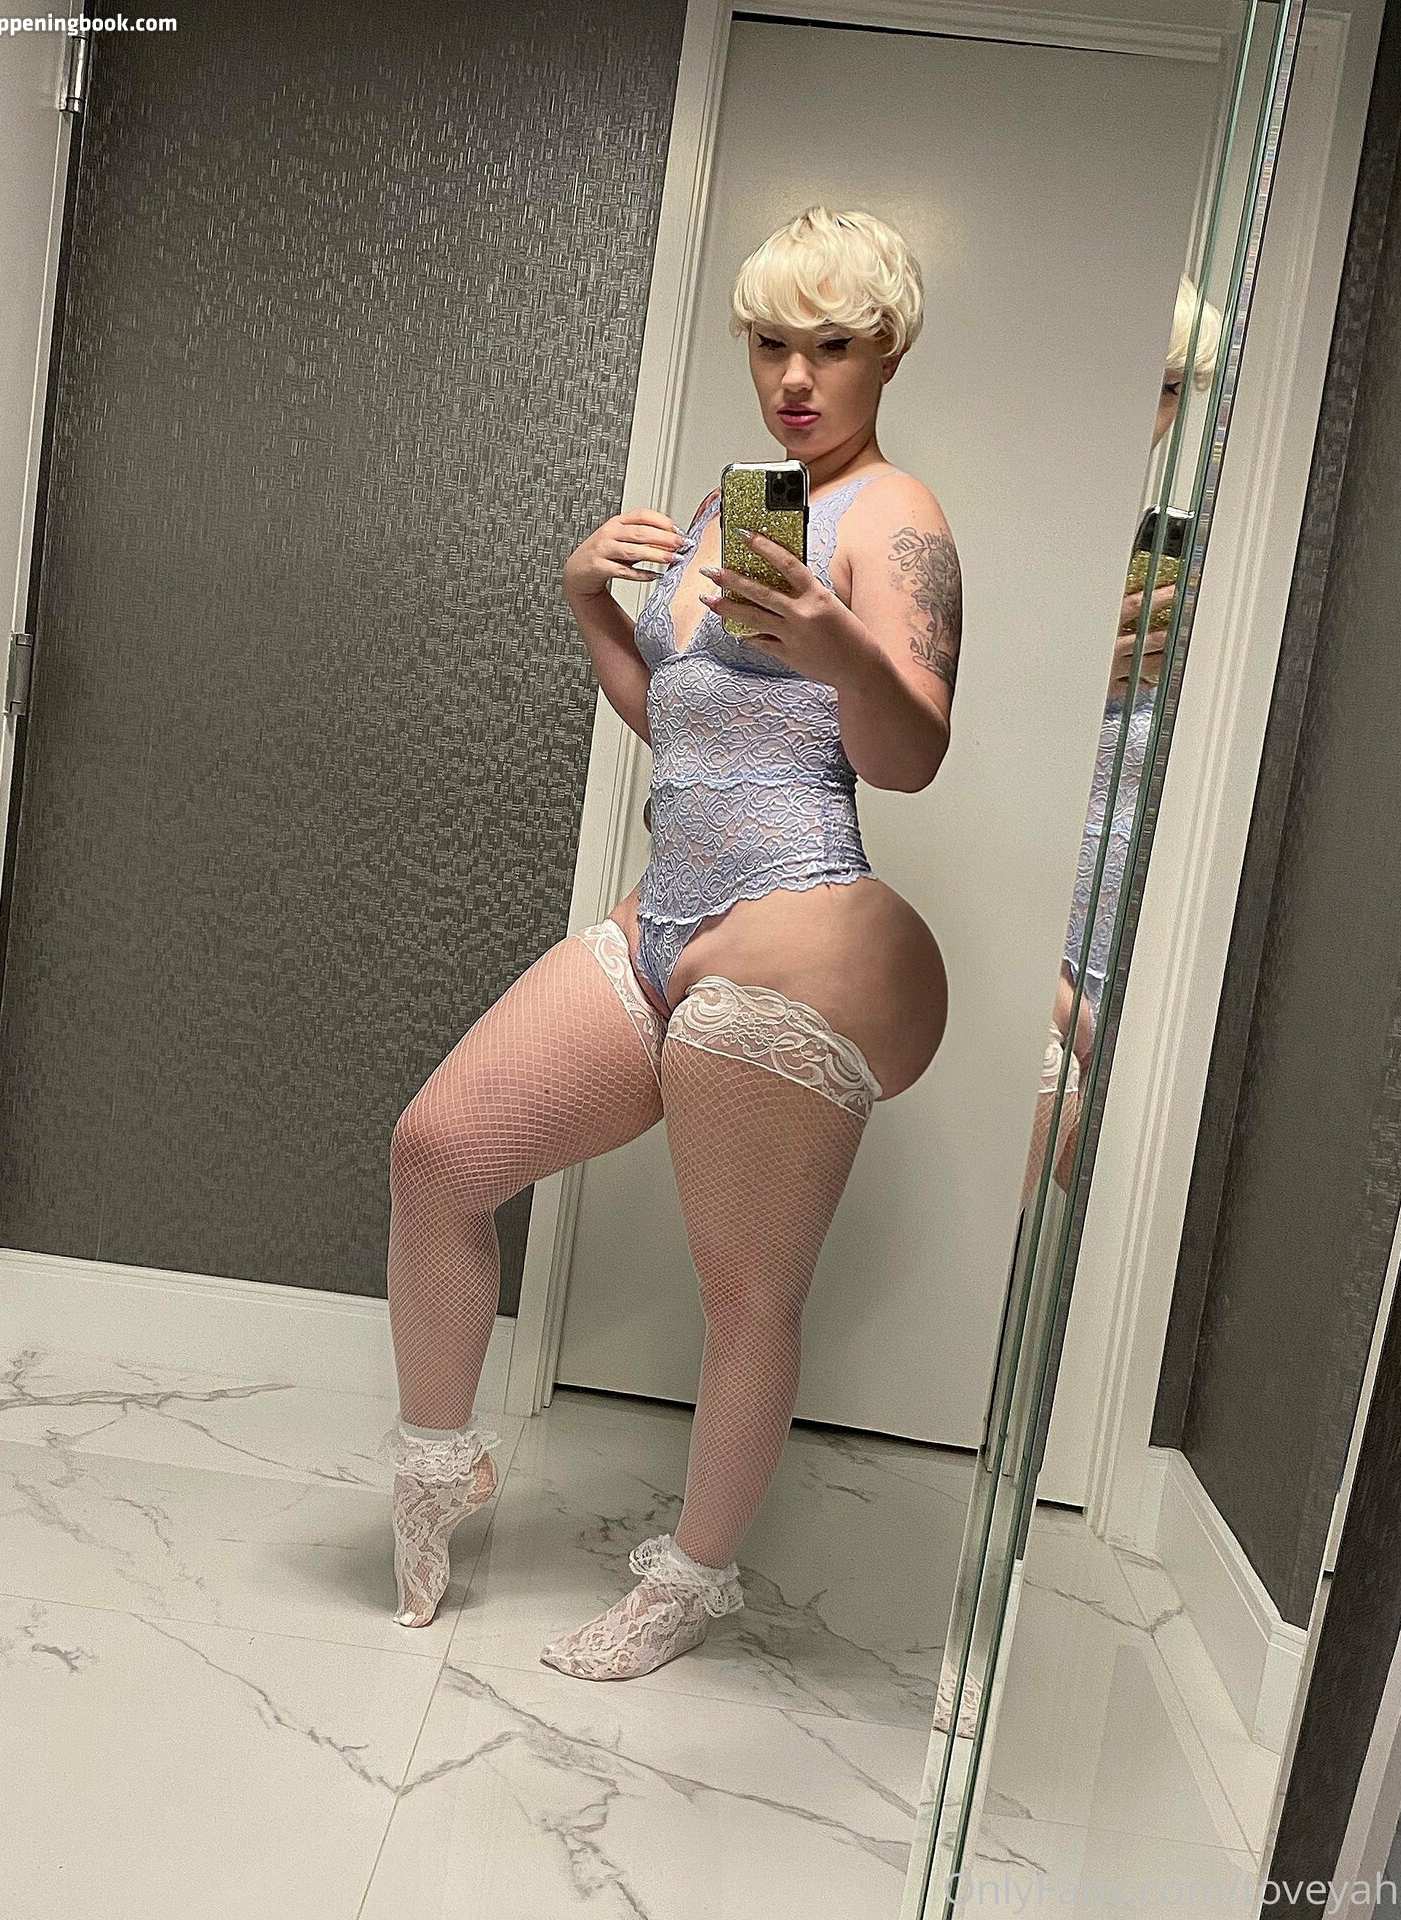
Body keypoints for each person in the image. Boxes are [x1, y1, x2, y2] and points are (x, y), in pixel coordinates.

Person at [380, 204, 960, 1682]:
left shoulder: (895, 516)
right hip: (668, 913)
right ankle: (440, 1462)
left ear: (887, 353)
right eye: (771, 343)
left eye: (832, 345)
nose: (796, 377)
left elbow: (910, 757)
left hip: (793, 923)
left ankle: (693, 1582)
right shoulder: (728, 506)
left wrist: (839, 644)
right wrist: (588, 597)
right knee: (438, 1151)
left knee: (744, 1293)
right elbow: (686, 724)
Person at [1030, 274, 1222, 1197]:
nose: (1152, 414)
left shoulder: (1186, 552)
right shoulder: (1011, 527)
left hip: (1144, 948)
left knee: (1098, 1222)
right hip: (1021, 944)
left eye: (1172, 388)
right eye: (1136, 377)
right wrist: (1063, 678)